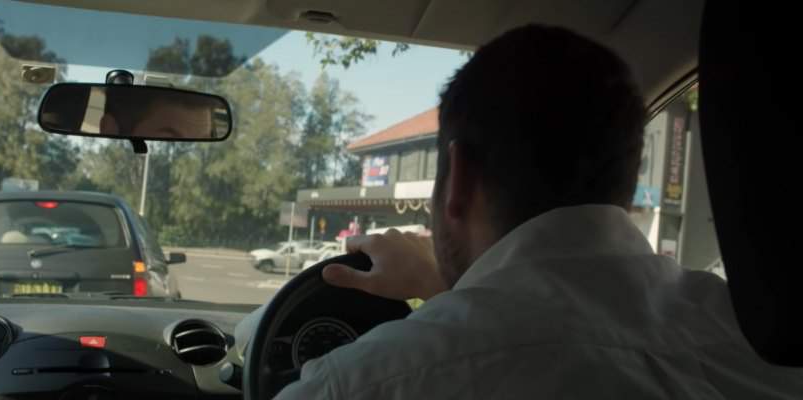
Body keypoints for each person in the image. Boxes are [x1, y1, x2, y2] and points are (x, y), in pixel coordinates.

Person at [270, 25, 803, 399]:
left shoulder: (362, 384)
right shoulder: (765, 349)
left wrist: (455, 301)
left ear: (457, 181)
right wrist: (453, 292)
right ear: (626, 174)